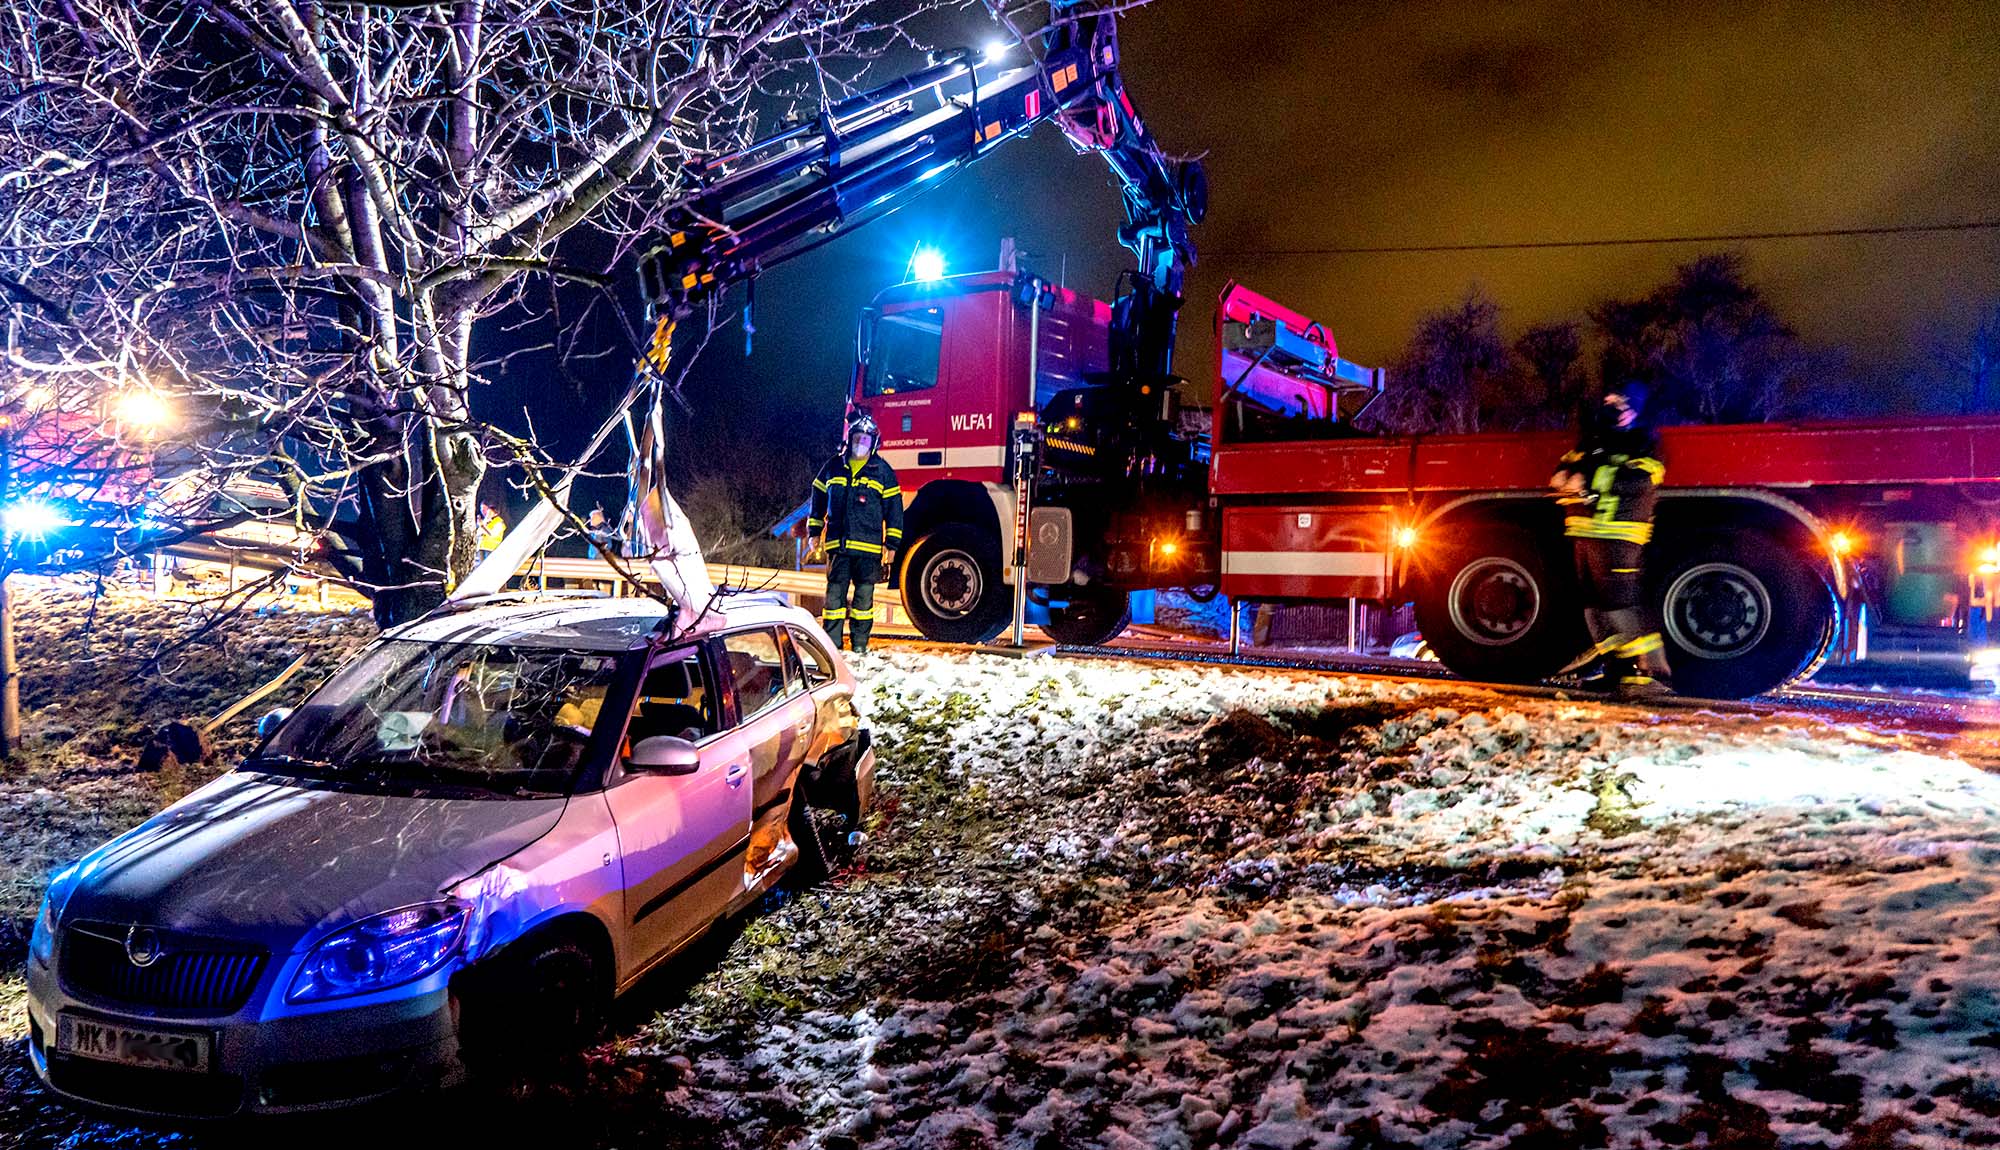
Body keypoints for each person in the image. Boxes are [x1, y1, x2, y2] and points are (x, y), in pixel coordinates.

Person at [1551, 384, 1672, 695]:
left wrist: (1588, 482)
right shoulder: (1594, 440)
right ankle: (1616, 671)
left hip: (1619, 536)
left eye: (1622, 404)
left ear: (1637, 410)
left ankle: (1652, 673)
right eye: (1610, 402)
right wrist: (1564, 475)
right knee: (1595, 608)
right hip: (1585, 534)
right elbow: (1568, 464)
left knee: (1620, 605)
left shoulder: (1643, 442)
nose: (1614, 409)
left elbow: (1641, 480)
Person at [807, 413, 903, 654]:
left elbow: (894, 509)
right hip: (838, 547)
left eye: (866, 439)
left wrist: (892, 544)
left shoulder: (883, 471)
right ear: (850, 439)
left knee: (863, 602)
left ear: (874, 443)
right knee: (834, 601)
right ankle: (833, 647)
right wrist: (814, 531)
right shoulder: (832, 467)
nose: (861, 443)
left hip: (868, 550)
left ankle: (859, 645)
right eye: (858, 438)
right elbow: (818, 499)